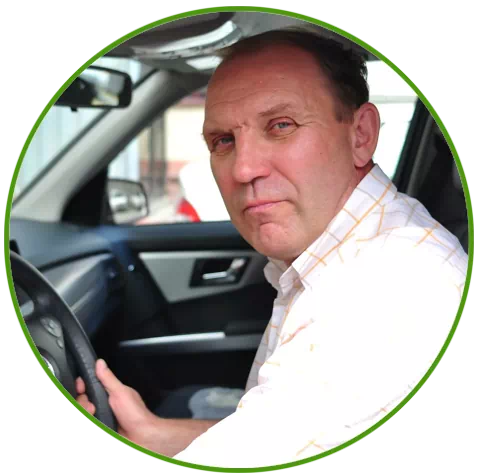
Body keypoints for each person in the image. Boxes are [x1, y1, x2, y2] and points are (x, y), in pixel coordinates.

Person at [0, 27, 477, 474]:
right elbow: (284, 434)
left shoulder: (394, 289)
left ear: (361, 135)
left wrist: (12, 418)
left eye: (282, 125)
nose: (244, 168)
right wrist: (152, 435)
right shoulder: (349, 253)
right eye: (223, 141)